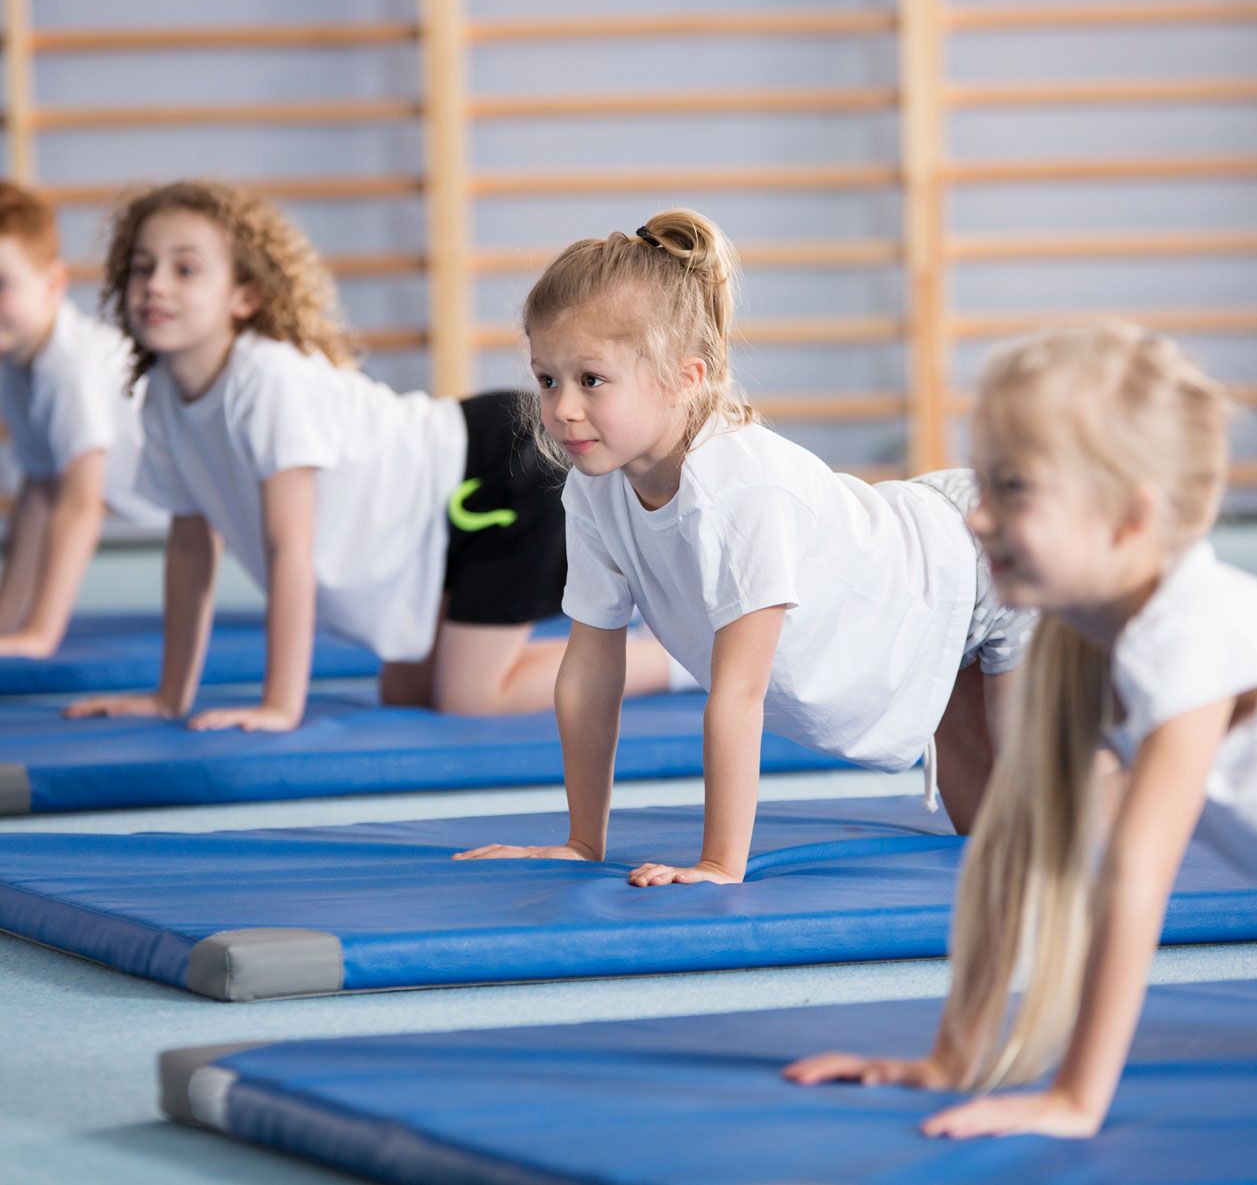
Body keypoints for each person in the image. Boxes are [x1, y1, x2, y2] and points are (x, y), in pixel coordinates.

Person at [455, 208, 1033, 885]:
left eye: (591, 379)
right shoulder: (593, 489)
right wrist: (583, 841)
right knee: (985, 840)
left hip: (982, 559)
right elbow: (588, 669)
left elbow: (739, 691)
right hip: (923, 598)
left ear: (685, 376)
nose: (561, 410)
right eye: (546, 378)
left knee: (1043, 823)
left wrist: (718, 863)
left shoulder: (737, 490)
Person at [785, 323, 1255, 1139]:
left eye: (1012, 489)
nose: (975, 519)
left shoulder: (1187, 635)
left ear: (1128, 518)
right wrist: (955, 1057)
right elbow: (1018, 849)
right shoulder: (1081, 642)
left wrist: (1075, 1098)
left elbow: (1136, 880)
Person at [67, 179, 669, 731]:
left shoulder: (268, 381)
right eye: (142, 268)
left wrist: (280, 704)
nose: (156, 285)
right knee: (408, 693)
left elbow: (289, 551)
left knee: (471, 696)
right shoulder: (163, 398)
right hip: (433, 523)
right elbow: (192, 546)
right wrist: (169, 696)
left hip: (498, 471)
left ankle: (672, 663)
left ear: (245, 295)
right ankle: (633, 644)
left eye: (185, 269)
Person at [0, 180, 163, 658]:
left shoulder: (71, 369)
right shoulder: (15, 361)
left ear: (54, 284)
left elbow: (81, 504)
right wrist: (8, 619)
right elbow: (39, 492)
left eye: (2, 285)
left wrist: (40, 634)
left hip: (222, 484)